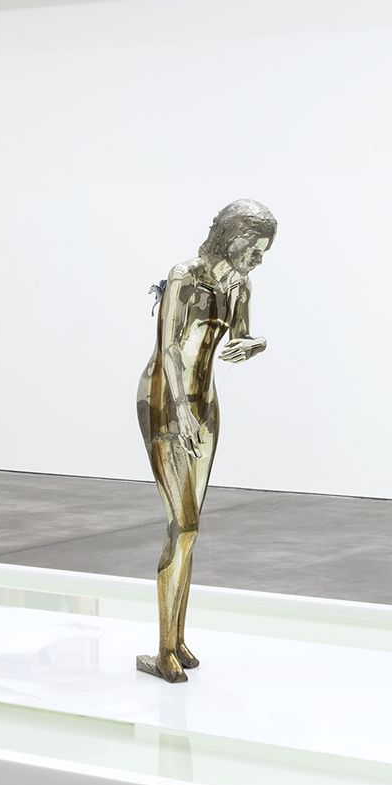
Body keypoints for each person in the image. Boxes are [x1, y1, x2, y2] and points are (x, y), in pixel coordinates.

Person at [135, 199, 276, 683]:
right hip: (165, 399)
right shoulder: (185, 276)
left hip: (205, 402)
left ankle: (175, 641)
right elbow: (170, 349)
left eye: (263, 252)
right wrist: (181, 414)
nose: (257, 259)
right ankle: (162, 650)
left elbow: (239, 337)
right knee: (184, 525)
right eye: (253, 247)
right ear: (231, 236)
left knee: (189, 529)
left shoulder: (239, 284)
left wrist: (254, 344)